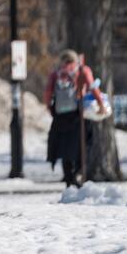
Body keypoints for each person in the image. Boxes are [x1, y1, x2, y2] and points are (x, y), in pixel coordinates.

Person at [44, 49, 106, 186]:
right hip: (78, 114)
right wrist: (101, 104)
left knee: (64, 147)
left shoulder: (56, 73)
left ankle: (68, 177)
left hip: (60, 116)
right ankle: (79, 172)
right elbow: (93, 87)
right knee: (84, 144)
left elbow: (48, 92)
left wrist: (50, 107)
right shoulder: (82, 70)